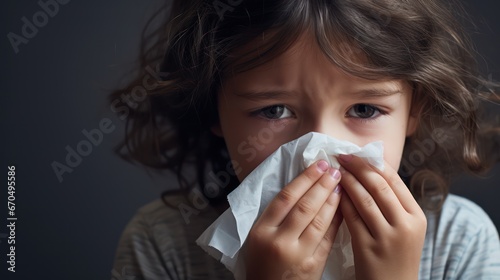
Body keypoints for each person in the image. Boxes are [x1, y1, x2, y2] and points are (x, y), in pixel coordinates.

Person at [109, 0, 500, 279]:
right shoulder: (161, 243)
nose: (319, 156)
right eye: (274, 111)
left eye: (364, 110)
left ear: (414, 111)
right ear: (213, 111)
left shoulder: (459, 241)